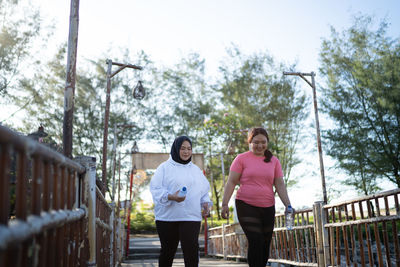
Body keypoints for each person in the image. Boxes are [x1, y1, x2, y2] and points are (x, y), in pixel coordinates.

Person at [221, 127, 294, 267]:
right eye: (256, 142)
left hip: (267, 206)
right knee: (256, 240)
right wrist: (224, 204)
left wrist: (288, 205)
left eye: (263, 142)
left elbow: (280, 184)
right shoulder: (241, 159)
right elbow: (231, 182)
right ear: (250, 142)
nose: (260, 145)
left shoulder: (274, 161)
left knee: (265, 243)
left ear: (267, 142)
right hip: (246, 205)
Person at [150, 135, 212, 267]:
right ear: (176, 149)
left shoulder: (195, 170)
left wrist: (205, 203)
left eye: (189, 149)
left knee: (191, 252)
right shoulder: (164, 168)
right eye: (183, 148)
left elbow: (204, 191)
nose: (186, 152)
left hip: (191, 216)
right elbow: (155, 189)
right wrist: (171, 196)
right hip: (167, 217)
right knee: (167, 252)